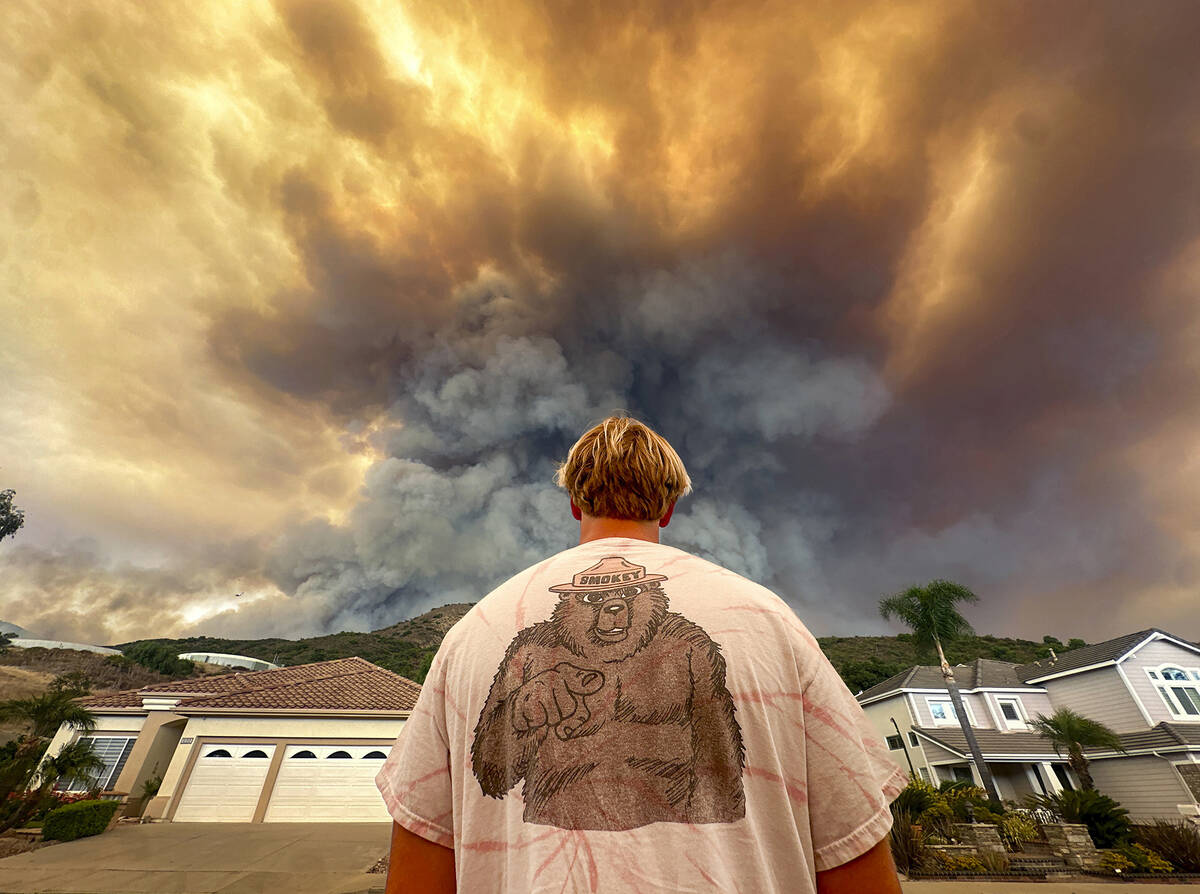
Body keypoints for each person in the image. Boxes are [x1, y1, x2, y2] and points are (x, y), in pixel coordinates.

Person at [376, 415, 906, 893]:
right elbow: (850, 835)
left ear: (574, 503)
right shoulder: (766, 620)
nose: (613, 615)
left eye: (627, 602)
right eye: (595, 603)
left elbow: (426, 842)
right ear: (670, 508)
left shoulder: (476, 632)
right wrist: (519, 715)